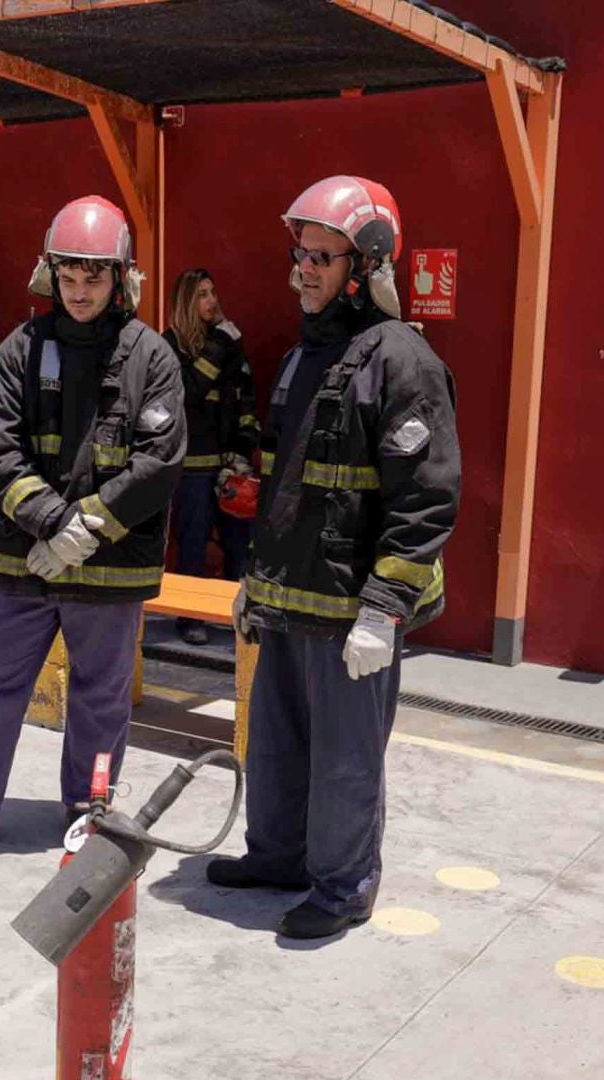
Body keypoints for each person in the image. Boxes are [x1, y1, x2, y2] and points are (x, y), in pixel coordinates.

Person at [209, 175, 460, 940]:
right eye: (302, 254)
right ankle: (279, 854)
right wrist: (255, 577)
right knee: (277, 745)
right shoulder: (301, 357)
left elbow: (425, 498)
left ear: (367, 265)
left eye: (323, 257)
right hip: (289, 598)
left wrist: (385, 611)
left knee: (346, 760)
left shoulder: (403, 361)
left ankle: (344, 884)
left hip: (353, 611)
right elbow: (284, 480)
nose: (305, 270)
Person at [0, 195, 184, 849]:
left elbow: (160, 462)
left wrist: (85, 529)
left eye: (92, 277)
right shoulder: (23, 348)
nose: (77, 290)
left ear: (120, 276)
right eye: (67, 276)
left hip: (106, 564)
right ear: (50, 273)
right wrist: (52, 522)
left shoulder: (151, 357)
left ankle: (90, 807)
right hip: (26, 561)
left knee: (100, 699)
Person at [163, 267, 259, 643]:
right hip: (191, 470)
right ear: (187, 301)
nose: (212, 301)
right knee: (194, 544)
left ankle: (236, 617)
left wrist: (243, 449)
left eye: (213, 292)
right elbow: (190, 390)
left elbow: (244, 396)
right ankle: (189, 618)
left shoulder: (227, 344)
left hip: (229, 466)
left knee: (239, 543)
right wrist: (220, 344)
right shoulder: (169, 345)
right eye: (203, 294)